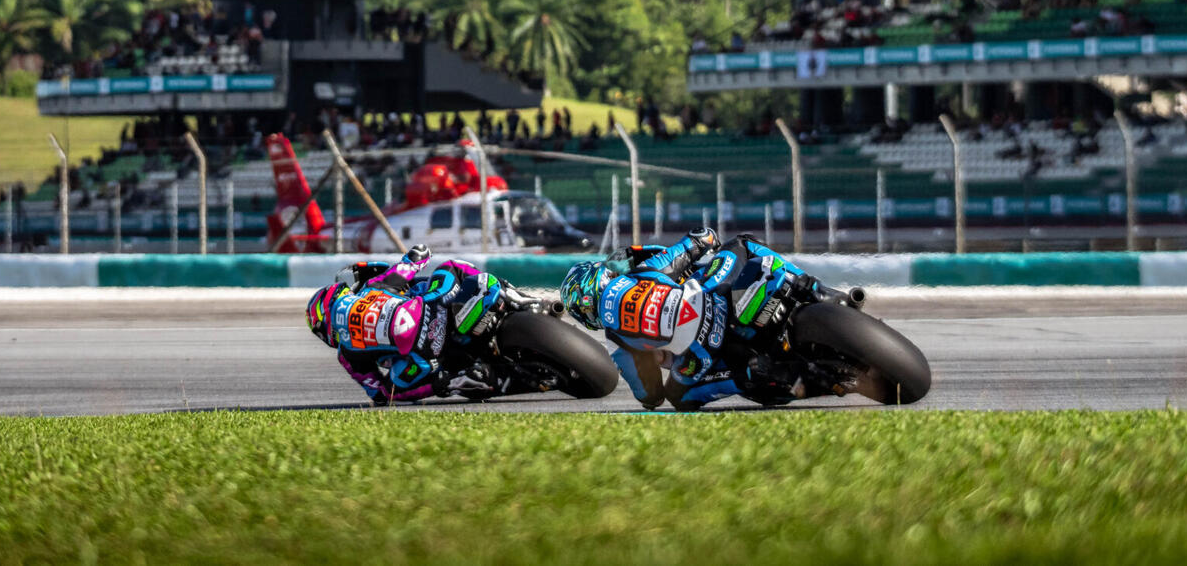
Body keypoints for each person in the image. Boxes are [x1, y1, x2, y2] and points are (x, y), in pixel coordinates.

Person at [560, 228, 822, 410]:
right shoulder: (641, 271)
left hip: (702, 354)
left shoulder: (614, 340)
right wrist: (706, 238)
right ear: (602, 275)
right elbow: (691, 245)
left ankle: (748, 373)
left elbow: (650, 394)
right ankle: (809, 286)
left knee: (679, 397)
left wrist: (653, 362)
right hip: (715, 296)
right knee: (742, 243)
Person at [305, 244, 510, 405]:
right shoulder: (370, 288)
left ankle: (452, 380)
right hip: (432, 308)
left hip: (423, 357)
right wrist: (419, 253)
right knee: (452, 266)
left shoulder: (346, 354)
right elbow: (410, 264)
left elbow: (378, 395)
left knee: (392, 392)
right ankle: (503, 291)